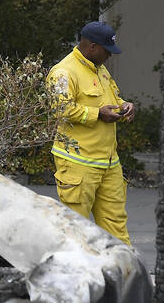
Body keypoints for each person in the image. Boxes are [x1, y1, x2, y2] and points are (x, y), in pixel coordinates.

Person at [47, 22, 135, 243]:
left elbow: (112, 100)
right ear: (92, 47)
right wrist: (98, 114)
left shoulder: (100, 69)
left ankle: (123, 274)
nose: (110, 56)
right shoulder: (63, 72)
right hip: (79, 164)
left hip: (108, 163)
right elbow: (61, 109)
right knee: (76, 230)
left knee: (116, 226)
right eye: (107, 51)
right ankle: (75, 276)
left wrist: (125, 106)